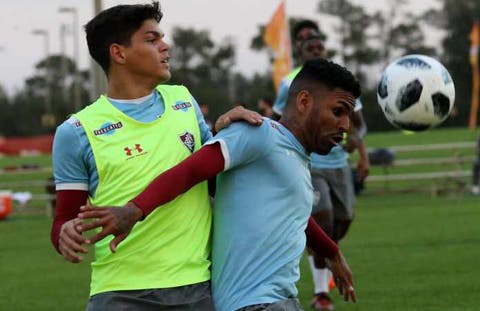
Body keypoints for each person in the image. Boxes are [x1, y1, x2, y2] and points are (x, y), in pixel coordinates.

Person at [76, 58, 360, 311]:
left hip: (278, 300)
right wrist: (134, 210)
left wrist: (331, 251)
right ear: (304, 102)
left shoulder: (292, 154)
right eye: (338, 111)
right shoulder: (259, 134)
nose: (346, 125)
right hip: (257, 303)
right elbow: (190, 171)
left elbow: (294, 215)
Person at [50, 2, 263, 310]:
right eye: (152, 40)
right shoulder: (77, 131)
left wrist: (225, 135)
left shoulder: (183, 101)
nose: (166, 46)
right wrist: (65, 235)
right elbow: (62, 220)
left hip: (196, 287)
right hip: (120, 293)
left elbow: (212, 179)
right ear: (118, 53)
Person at [273, 20, 369, 311]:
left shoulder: (341, 81)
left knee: (342, 222)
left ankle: (324, 262)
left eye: (318, 45)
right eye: (307, 45)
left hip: (340, 164)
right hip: (310, 163)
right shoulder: (291, 83)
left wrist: (361, 152)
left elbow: (358, 125)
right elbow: (281, 121)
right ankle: (320, 295)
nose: (314, 49)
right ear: (300, 51)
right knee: (324, 223)